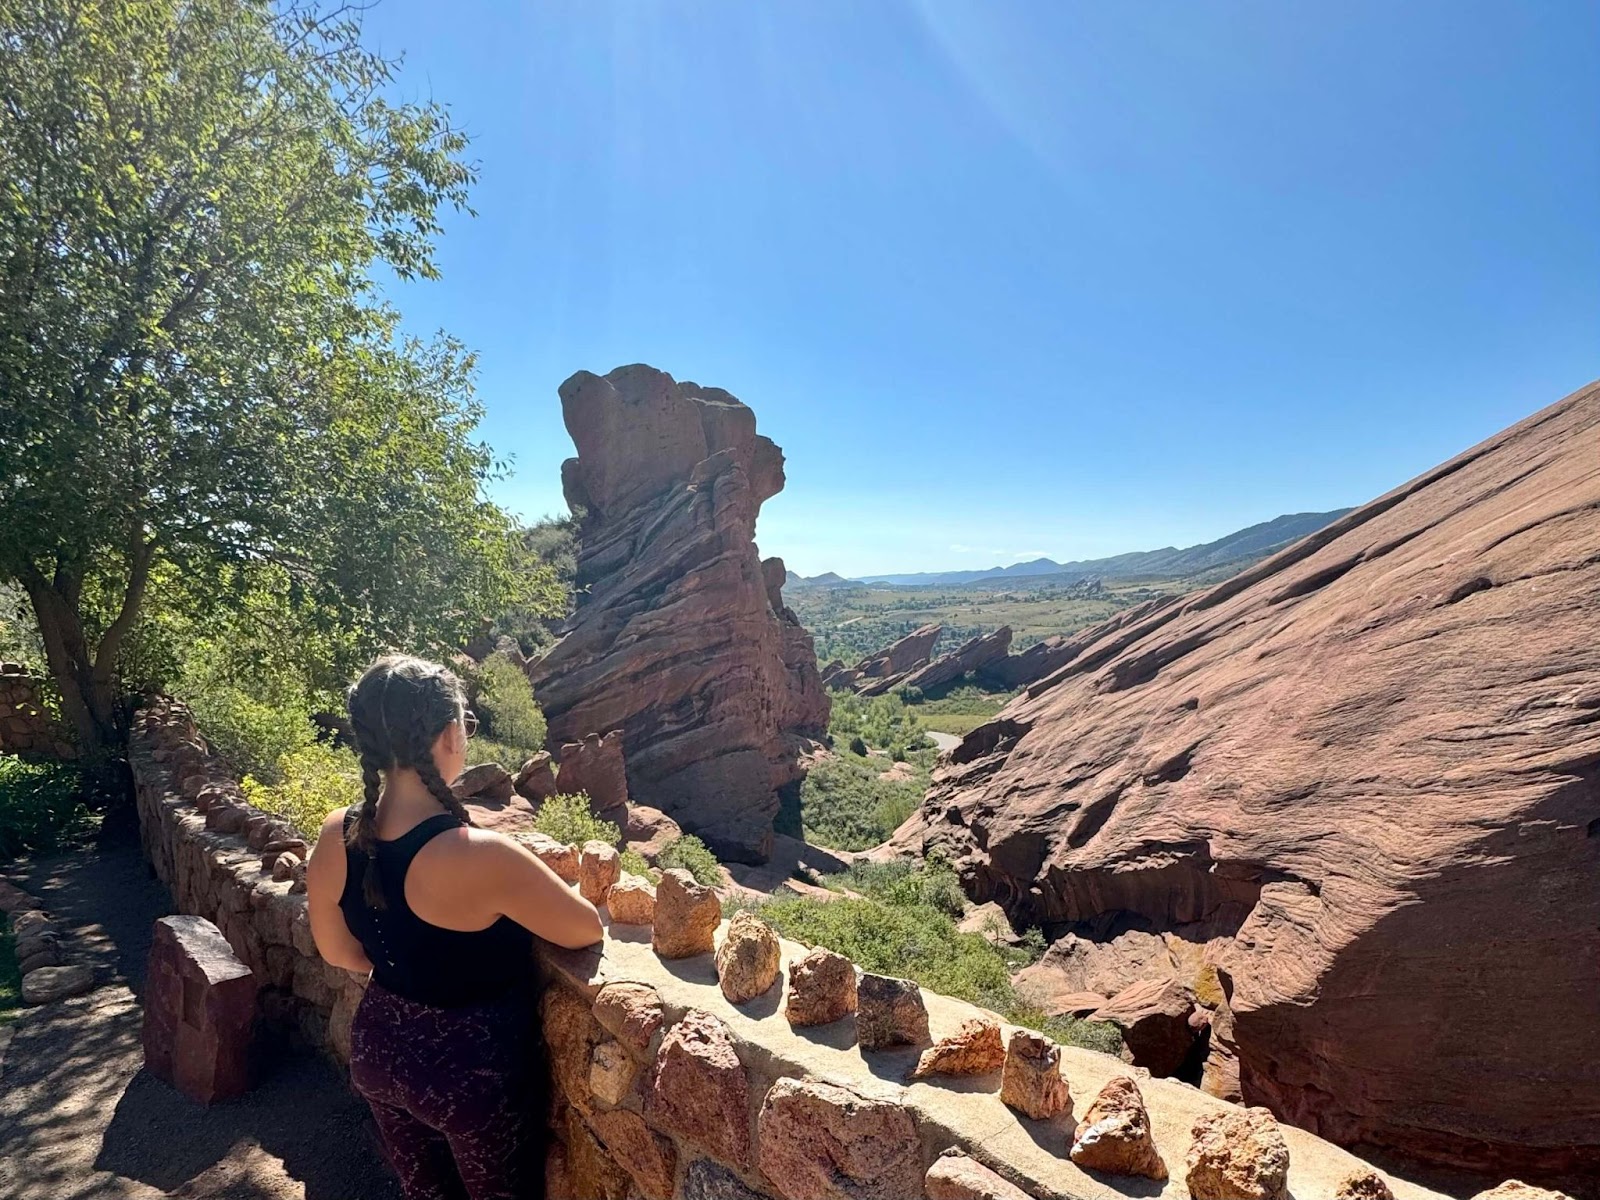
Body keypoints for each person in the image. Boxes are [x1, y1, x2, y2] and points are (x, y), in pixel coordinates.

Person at [306, 654, 602, 1200]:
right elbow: (584, 930)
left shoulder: (336, 832)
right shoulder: (481, 856)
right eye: (465, 726)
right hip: (470, 1075)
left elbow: (338, 951)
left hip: (378, 1050)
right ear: (447, 735)